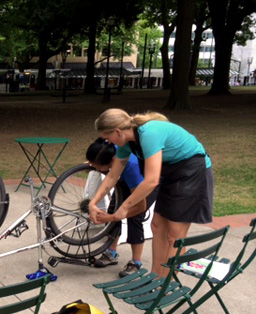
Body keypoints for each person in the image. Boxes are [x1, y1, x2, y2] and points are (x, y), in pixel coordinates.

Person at [88, 109, 213, 277]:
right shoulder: (125, 144)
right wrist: (93, 203)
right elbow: (112, 175)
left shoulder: (149, 134)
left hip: (192, 171)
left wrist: (124, 208)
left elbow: (151, 181)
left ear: (118, 132)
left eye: (106, 137)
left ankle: (166, 282)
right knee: (157, 225)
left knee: (175, 233)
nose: (107, 141)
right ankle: (156, 277)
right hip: (171, 172)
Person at [86, 138, 157, 276]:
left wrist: (113, 217)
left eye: (98, 166)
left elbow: (140, 207)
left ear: (112, 161)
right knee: (114, 207)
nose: (96, 169)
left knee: (134, 216)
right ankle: (111, 252)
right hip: (128, 177)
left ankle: (136, 261)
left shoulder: (131, 166)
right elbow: (111, 177)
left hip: (149, 180)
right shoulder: (108, 148)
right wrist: (94, 204)